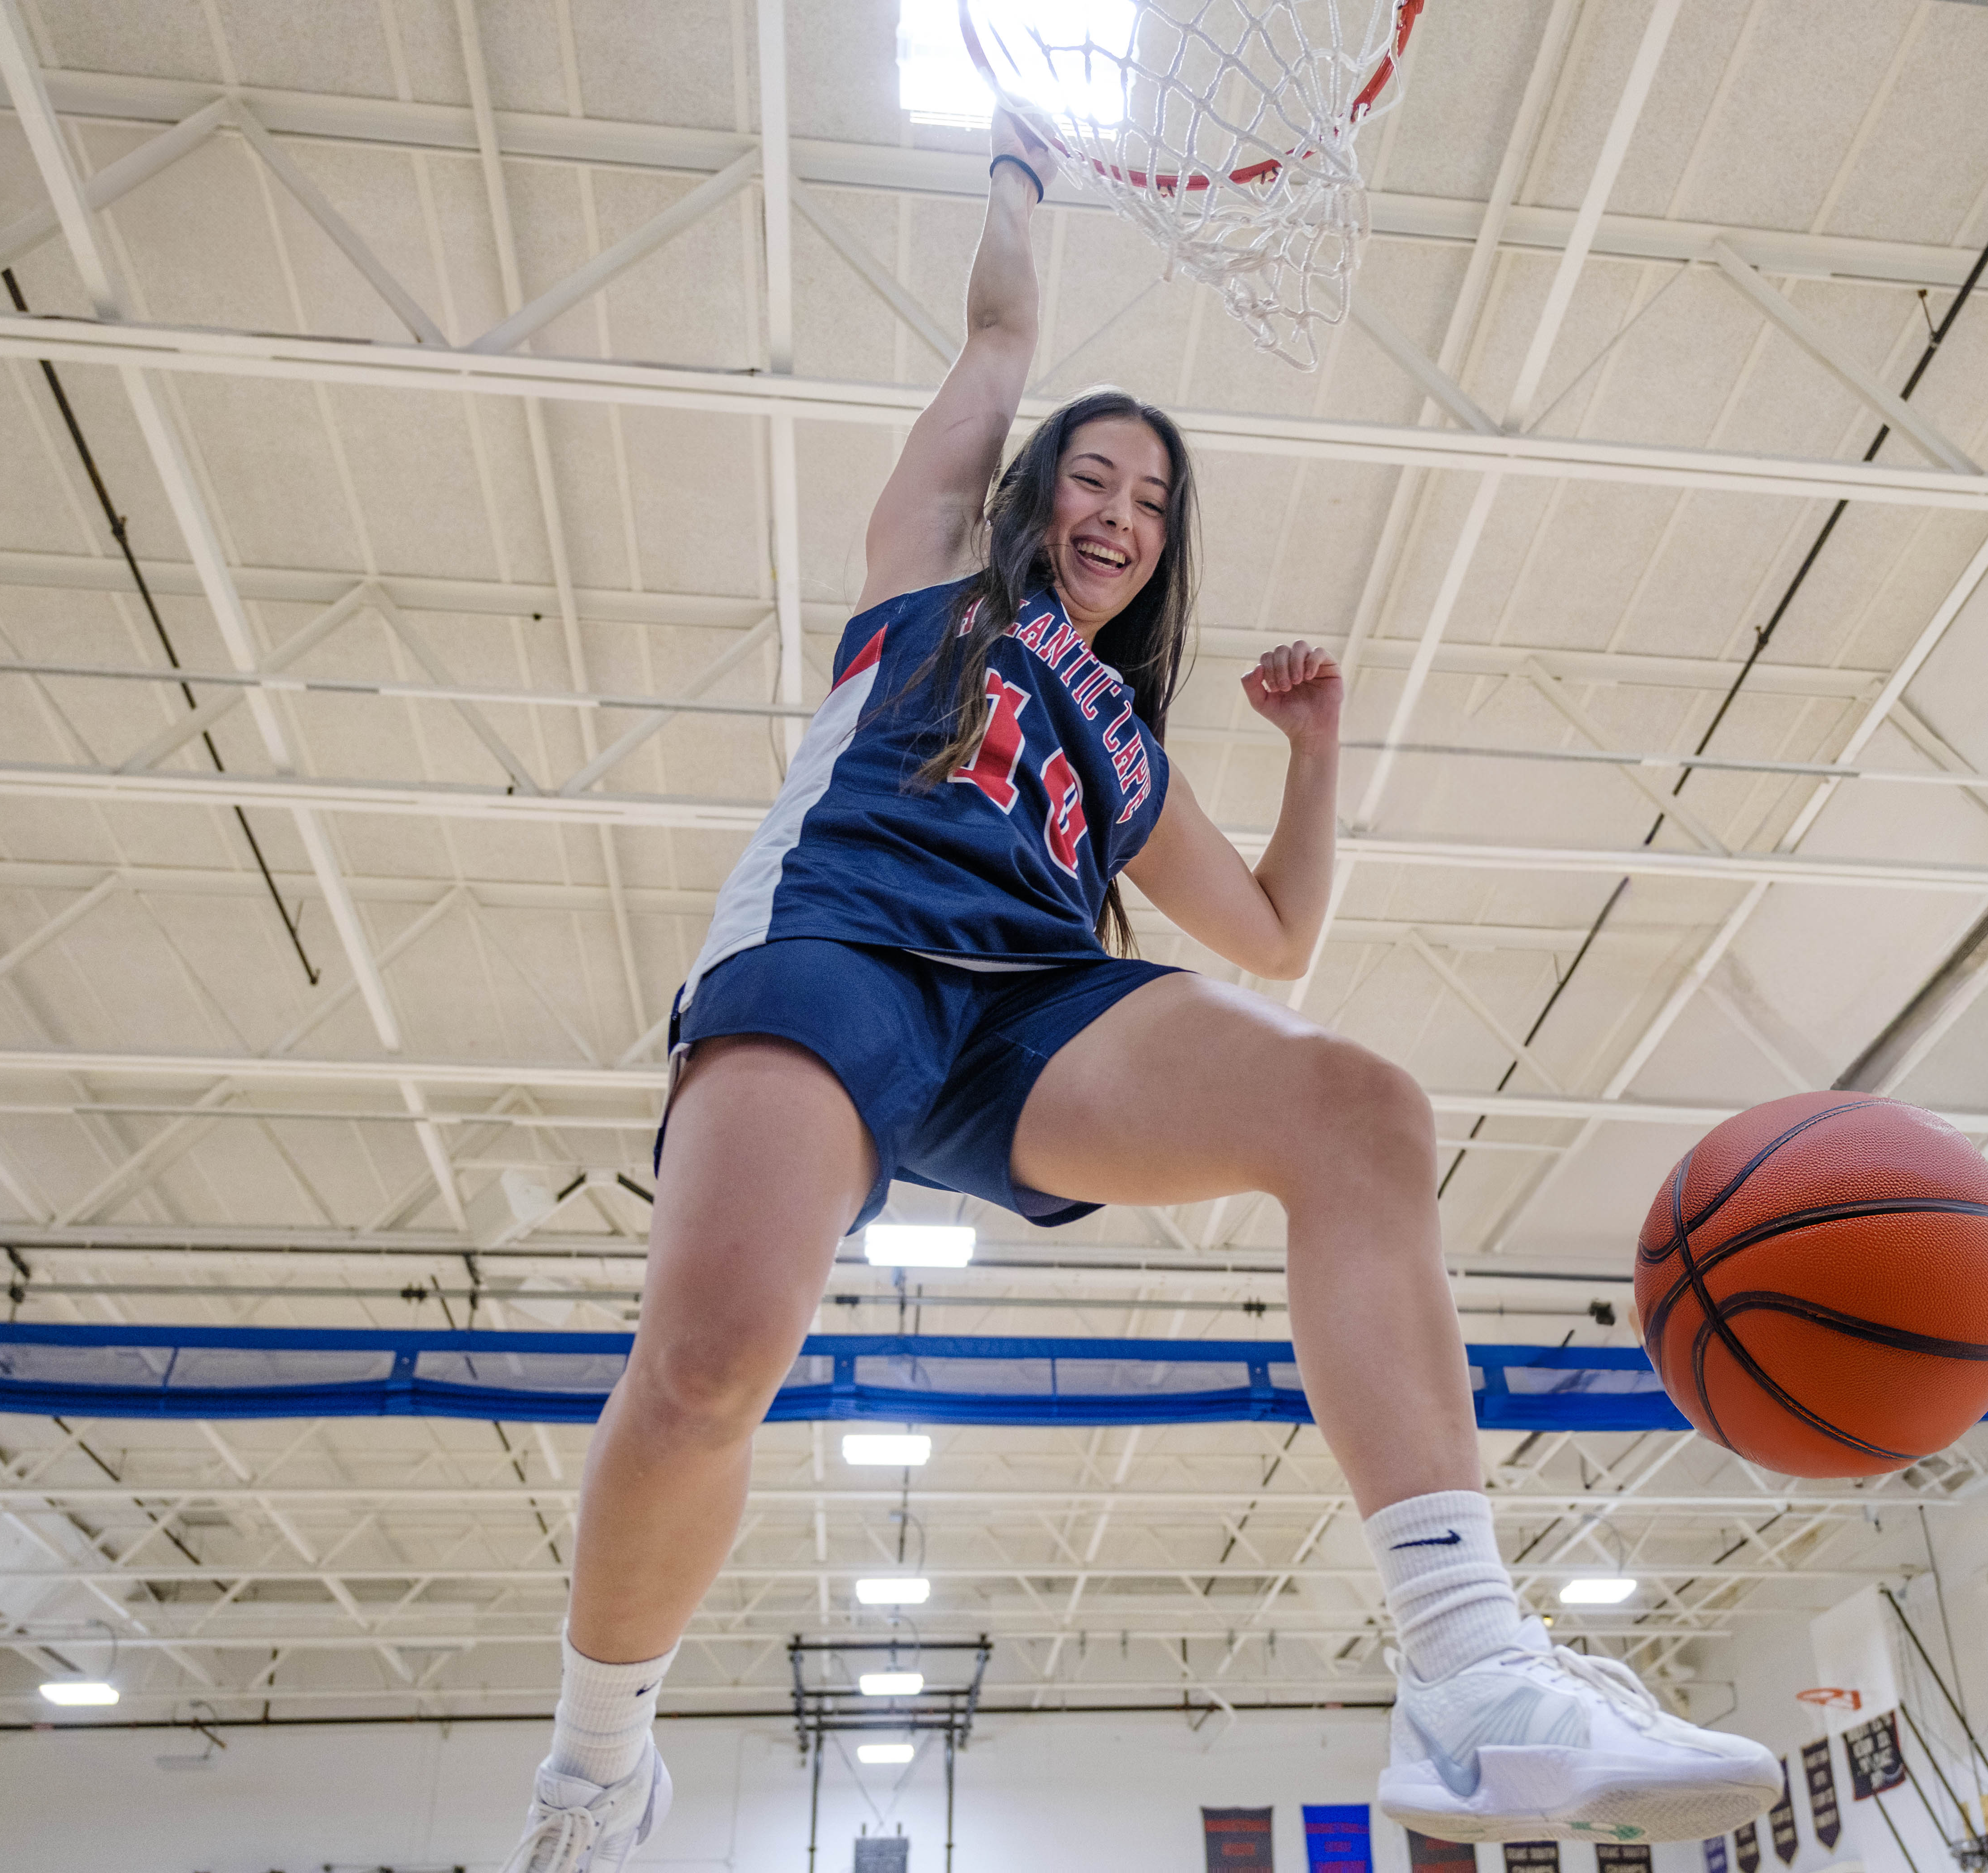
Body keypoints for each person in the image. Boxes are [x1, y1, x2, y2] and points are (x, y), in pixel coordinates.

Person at [498, 113, 1781, 1873]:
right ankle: (597, 1761)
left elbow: (1267, 933)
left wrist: (1318, 754)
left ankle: (1475, 1674)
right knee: (714, 1357)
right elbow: (1001, 343)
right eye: (1096, 476)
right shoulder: (933, 566)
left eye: (1155, 500)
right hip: (839, 940)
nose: (1121, 509)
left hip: (1035, 1000)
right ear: (1035, 496)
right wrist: (1021, 180)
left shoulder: (1120, 741)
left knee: (1358, 1107)